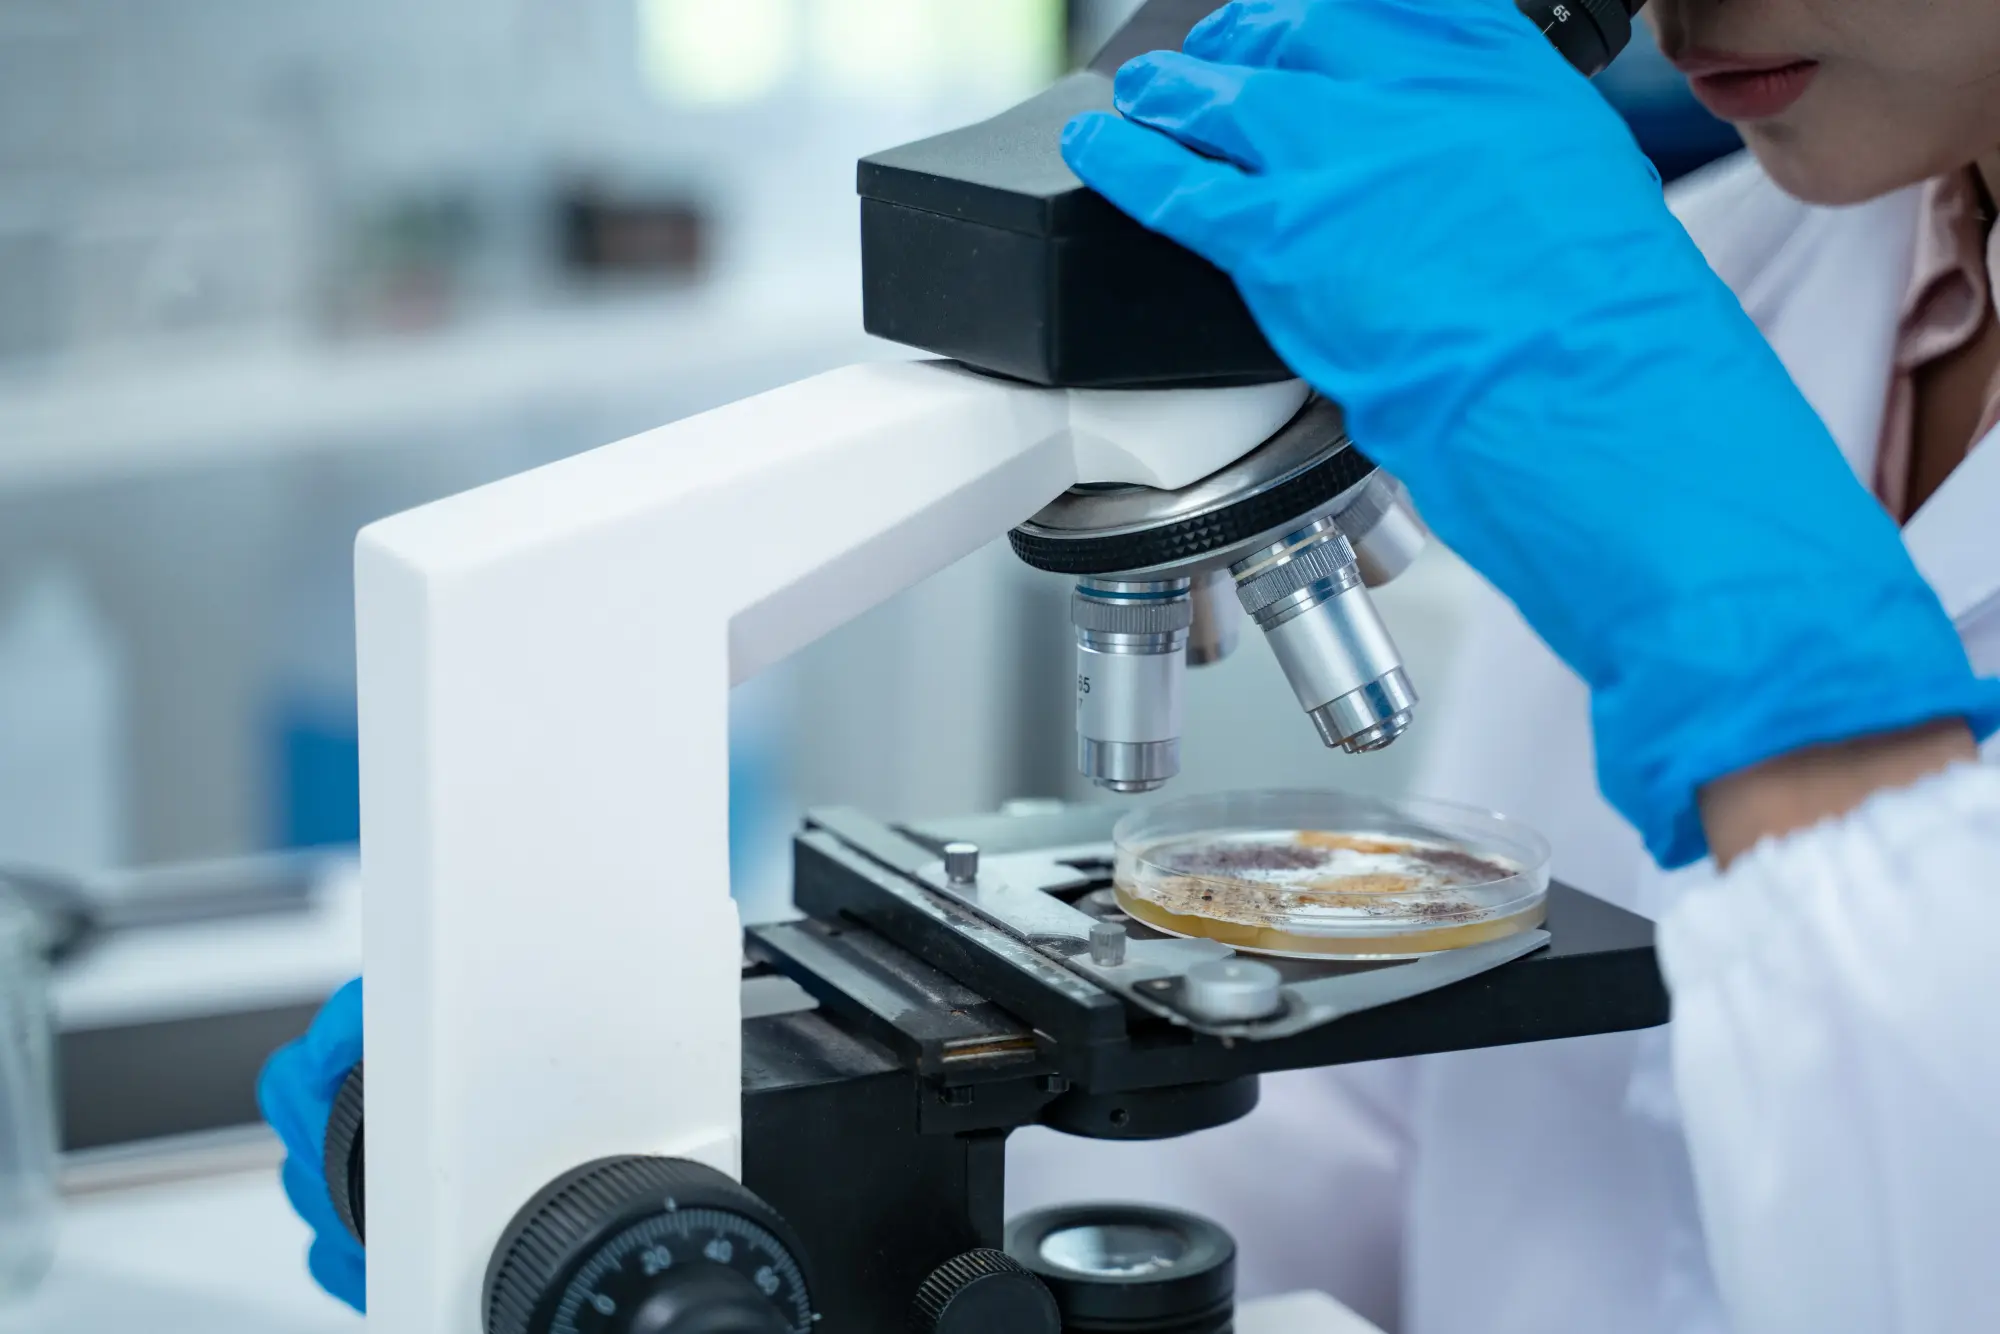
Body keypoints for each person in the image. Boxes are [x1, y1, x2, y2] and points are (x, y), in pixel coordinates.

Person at [263, 0, 2000, 1328]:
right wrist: (789, 1153)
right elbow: (1447, 1133)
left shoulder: (1627, 357)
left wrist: (1793, 682)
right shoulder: (1704, 281)